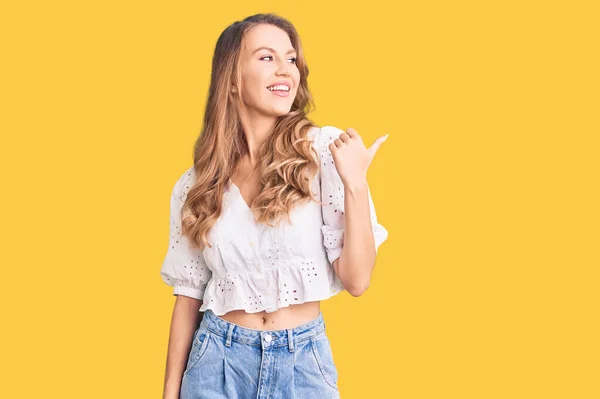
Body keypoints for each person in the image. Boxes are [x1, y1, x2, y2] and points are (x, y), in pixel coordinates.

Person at [160, 13, 389, 399]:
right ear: (232, 79)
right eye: (266, 58)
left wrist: (356, 185)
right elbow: (188, 295)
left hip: (301, 363)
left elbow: (357, 280)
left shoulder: (324, 153)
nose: (286, 70)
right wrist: (170, 390)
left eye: (291, 59)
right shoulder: (196, 184)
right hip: (216, 363)